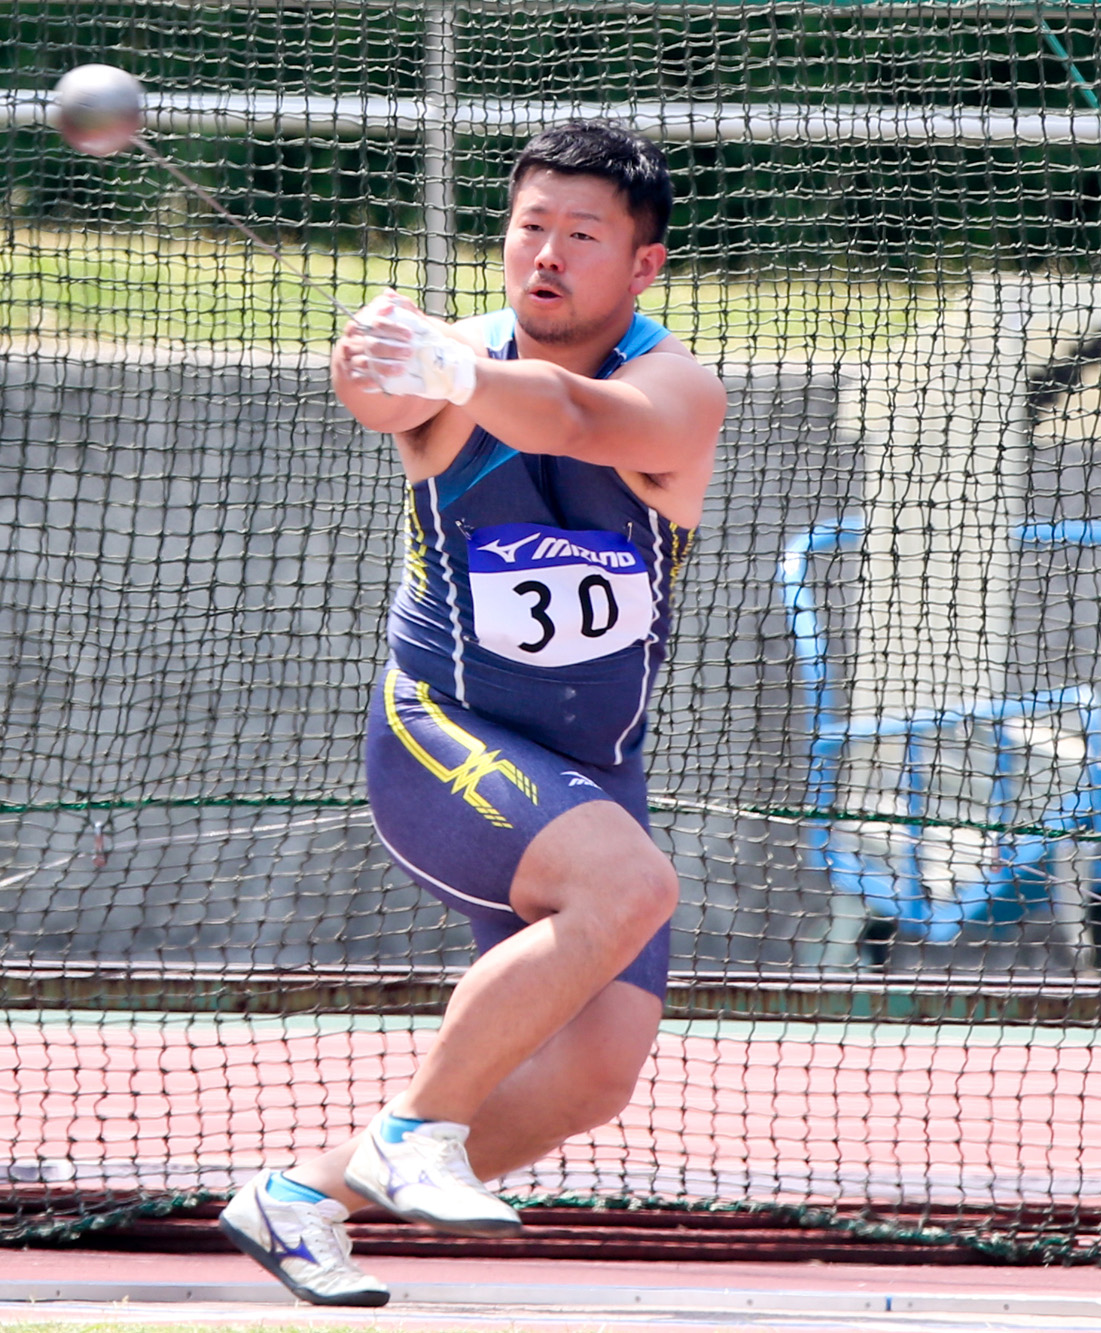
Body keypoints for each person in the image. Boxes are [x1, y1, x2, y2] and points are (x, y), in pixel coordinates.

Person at [218, 120, 726, 1307]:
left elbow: (579, 422)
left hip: (591, 770)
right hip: (440, 739)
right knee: (631, 886)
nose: (543, 255)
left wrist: (447, 367)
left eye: (580, 236)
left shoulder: (676, 388)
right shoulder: (443, 369)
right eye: (527, 228)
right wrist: (377, 363)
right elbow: (375, 393)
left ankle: (299, 1200)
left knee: (594, 1076)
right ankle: (413, 1129)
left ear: (641, 266)